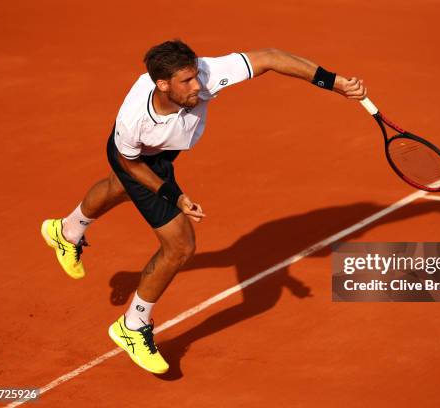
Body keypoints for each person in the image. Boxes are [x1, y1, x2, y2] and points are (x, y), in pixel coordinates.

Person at [40, 39, 367, 374]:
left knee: (117, 189)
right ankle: (133, 325)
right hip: (137, 161)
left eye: (196, 75)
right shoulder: (133, 120)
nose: (199, 85)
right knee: (179, 246)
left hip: (160, 150)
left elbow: (270, 58)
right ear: (163, 85)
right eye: (187, 81)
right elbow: (131, 165)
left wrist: (335, 82)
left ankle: (66, 230)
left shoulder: (205, 74)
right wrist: (174, 195)